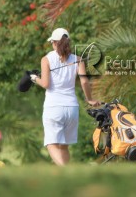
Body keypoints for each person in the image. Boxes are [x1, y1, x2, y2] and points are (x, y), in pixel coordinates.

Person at [30, 27, 100, 166]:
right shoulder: (78, 59)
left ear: (55, 43)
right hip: (72, 108)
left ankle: (65, 169)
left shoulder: (46, 59)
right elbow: (84, 81)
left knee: (51, 144)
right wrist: (90, 99)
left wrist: (34, 78)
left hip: (53, 107)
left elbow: (45, 83)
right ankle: (67, 174)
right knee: (64, 146)